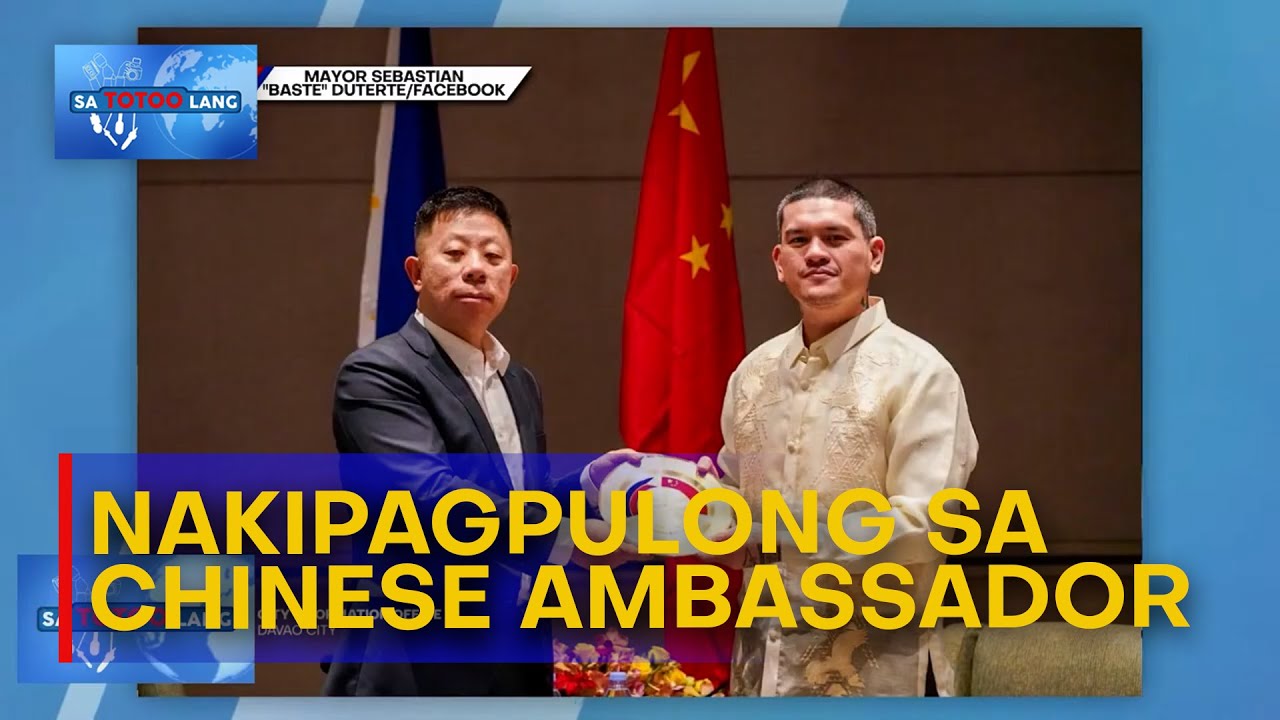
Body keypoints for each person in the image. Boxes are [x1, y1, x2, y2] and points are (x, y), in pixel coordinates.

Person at [323, 185, 641, 696]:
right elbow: (433, 500)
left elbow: (516, 500)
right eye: (454, 253)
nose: (477, 267)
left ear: (510, 278)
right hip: (416, 662)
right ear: (415, 272)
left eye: (493, 256)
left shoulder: (520, 381)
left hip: (515, 654)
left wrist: (584, 485)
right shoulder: (377, 373)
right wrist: (570, 540)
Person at [703, 177, 978, 696]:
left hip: (874, 670)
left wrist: (778, 535)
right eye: (799, 240)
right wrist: (682, 502)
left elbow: (928, 523)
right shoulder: (753, 374)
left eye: (835, 237)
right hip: (759, 659)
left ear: (874, 254)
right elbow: (742, 489)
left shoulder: (920, 372)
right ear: (778, 261)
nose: (816, 254)